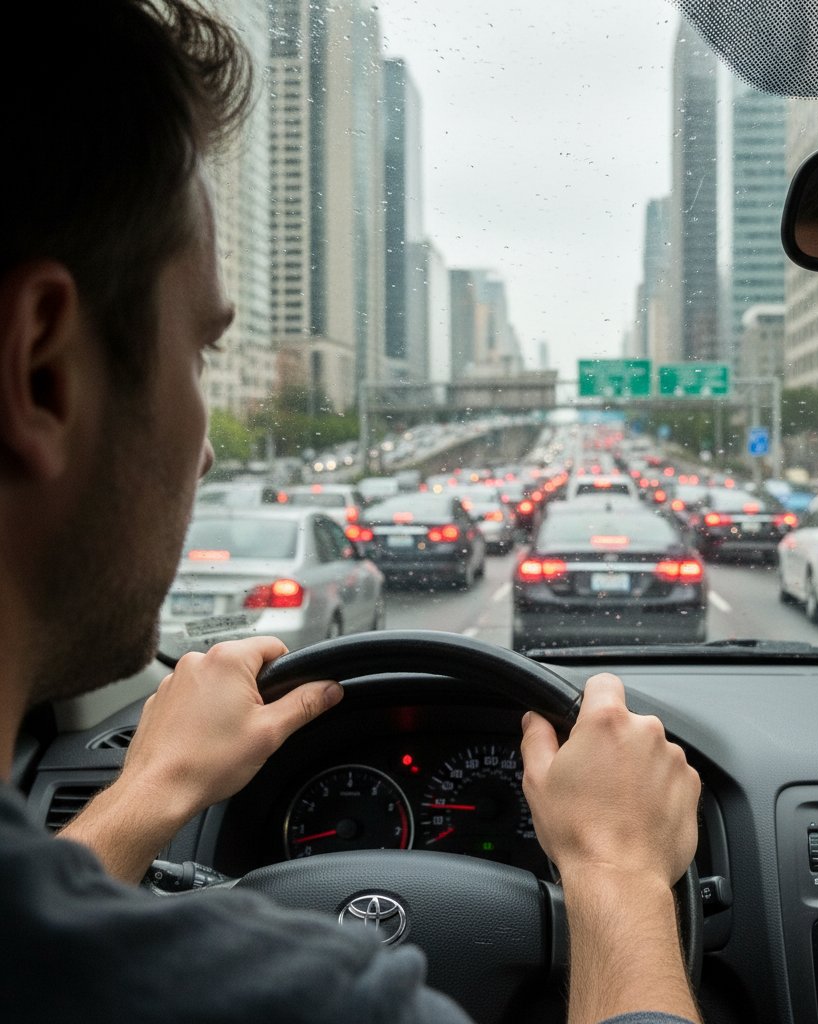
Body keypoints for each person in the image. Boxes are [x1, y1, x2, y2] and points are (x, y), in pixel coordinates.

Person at [0, 3, 703, 1023]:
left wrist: (151, 790)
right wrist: (618, 873)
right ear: (41, 370)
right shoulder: (307, 1003)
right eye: (200, 353)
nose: (204, 443)